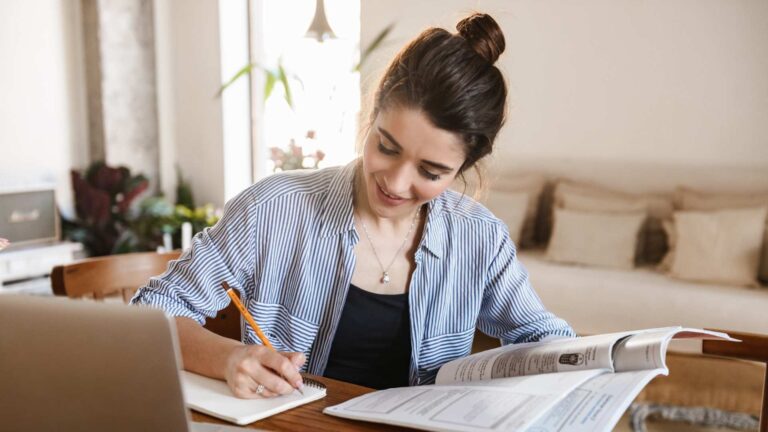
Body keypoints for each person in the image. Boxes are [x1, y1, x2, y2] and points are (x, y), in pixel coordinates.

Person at [132, 12, 574, 398]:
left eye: (431, 172)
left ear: (464, 167)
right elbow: (151, 313)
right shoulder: (273, 208)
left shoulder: (479, 236)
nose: (397, 183)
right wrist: (230, 358)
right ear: (372, 113)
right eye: (386, 147)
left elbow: (543, 336)